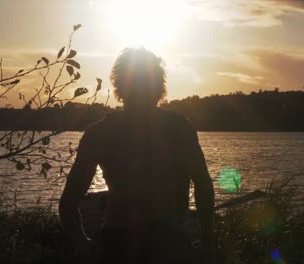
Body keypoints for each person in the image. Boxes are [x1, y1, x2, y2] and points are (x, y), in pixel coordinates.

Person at [59, 48, 215, 263]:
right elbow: (203, 185)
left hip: (139, 241)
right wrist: (208, 239)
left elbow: (69, 201)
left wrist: (81, 242)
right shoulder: (179, 127)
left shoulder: (99, 133)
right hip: (151, 241)